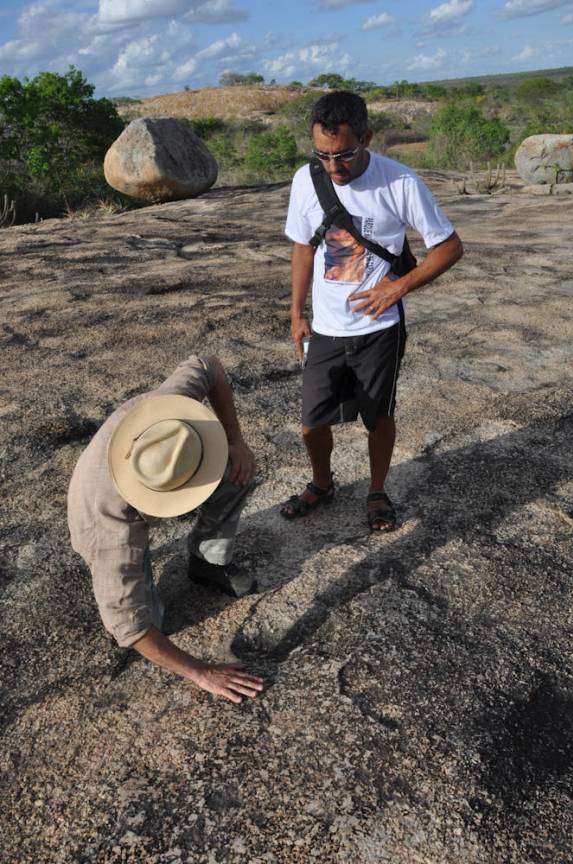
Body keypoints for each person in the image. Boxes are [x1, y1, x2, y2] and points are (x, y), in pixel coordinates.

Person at [281, 90, 463, 531]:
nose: (333, 167)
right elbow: (304, 247)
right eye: (322, 155)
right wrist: (296, 312)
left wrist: (398, 287)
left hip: (380, 328)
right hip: (325, 327)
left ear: (367, 137)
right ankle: (322, 483)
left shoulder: (399, 182)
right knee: (310, 422)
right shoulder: (307, 180)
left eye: (343, 154)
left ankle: (377, 491)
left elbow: (450, 248)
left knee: (378, 416)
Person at [68, 354, 263, 704]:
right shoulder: (112, 531)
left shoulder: (172, 415)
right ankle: (141, 576)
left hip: (141, 465)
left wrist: (234, 440)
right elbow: (131, 628)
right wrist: (200, 671)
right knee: (153, 618)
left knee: (237, 469)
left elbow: (210, 365)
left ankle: (207, 562)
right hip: (95, 511)